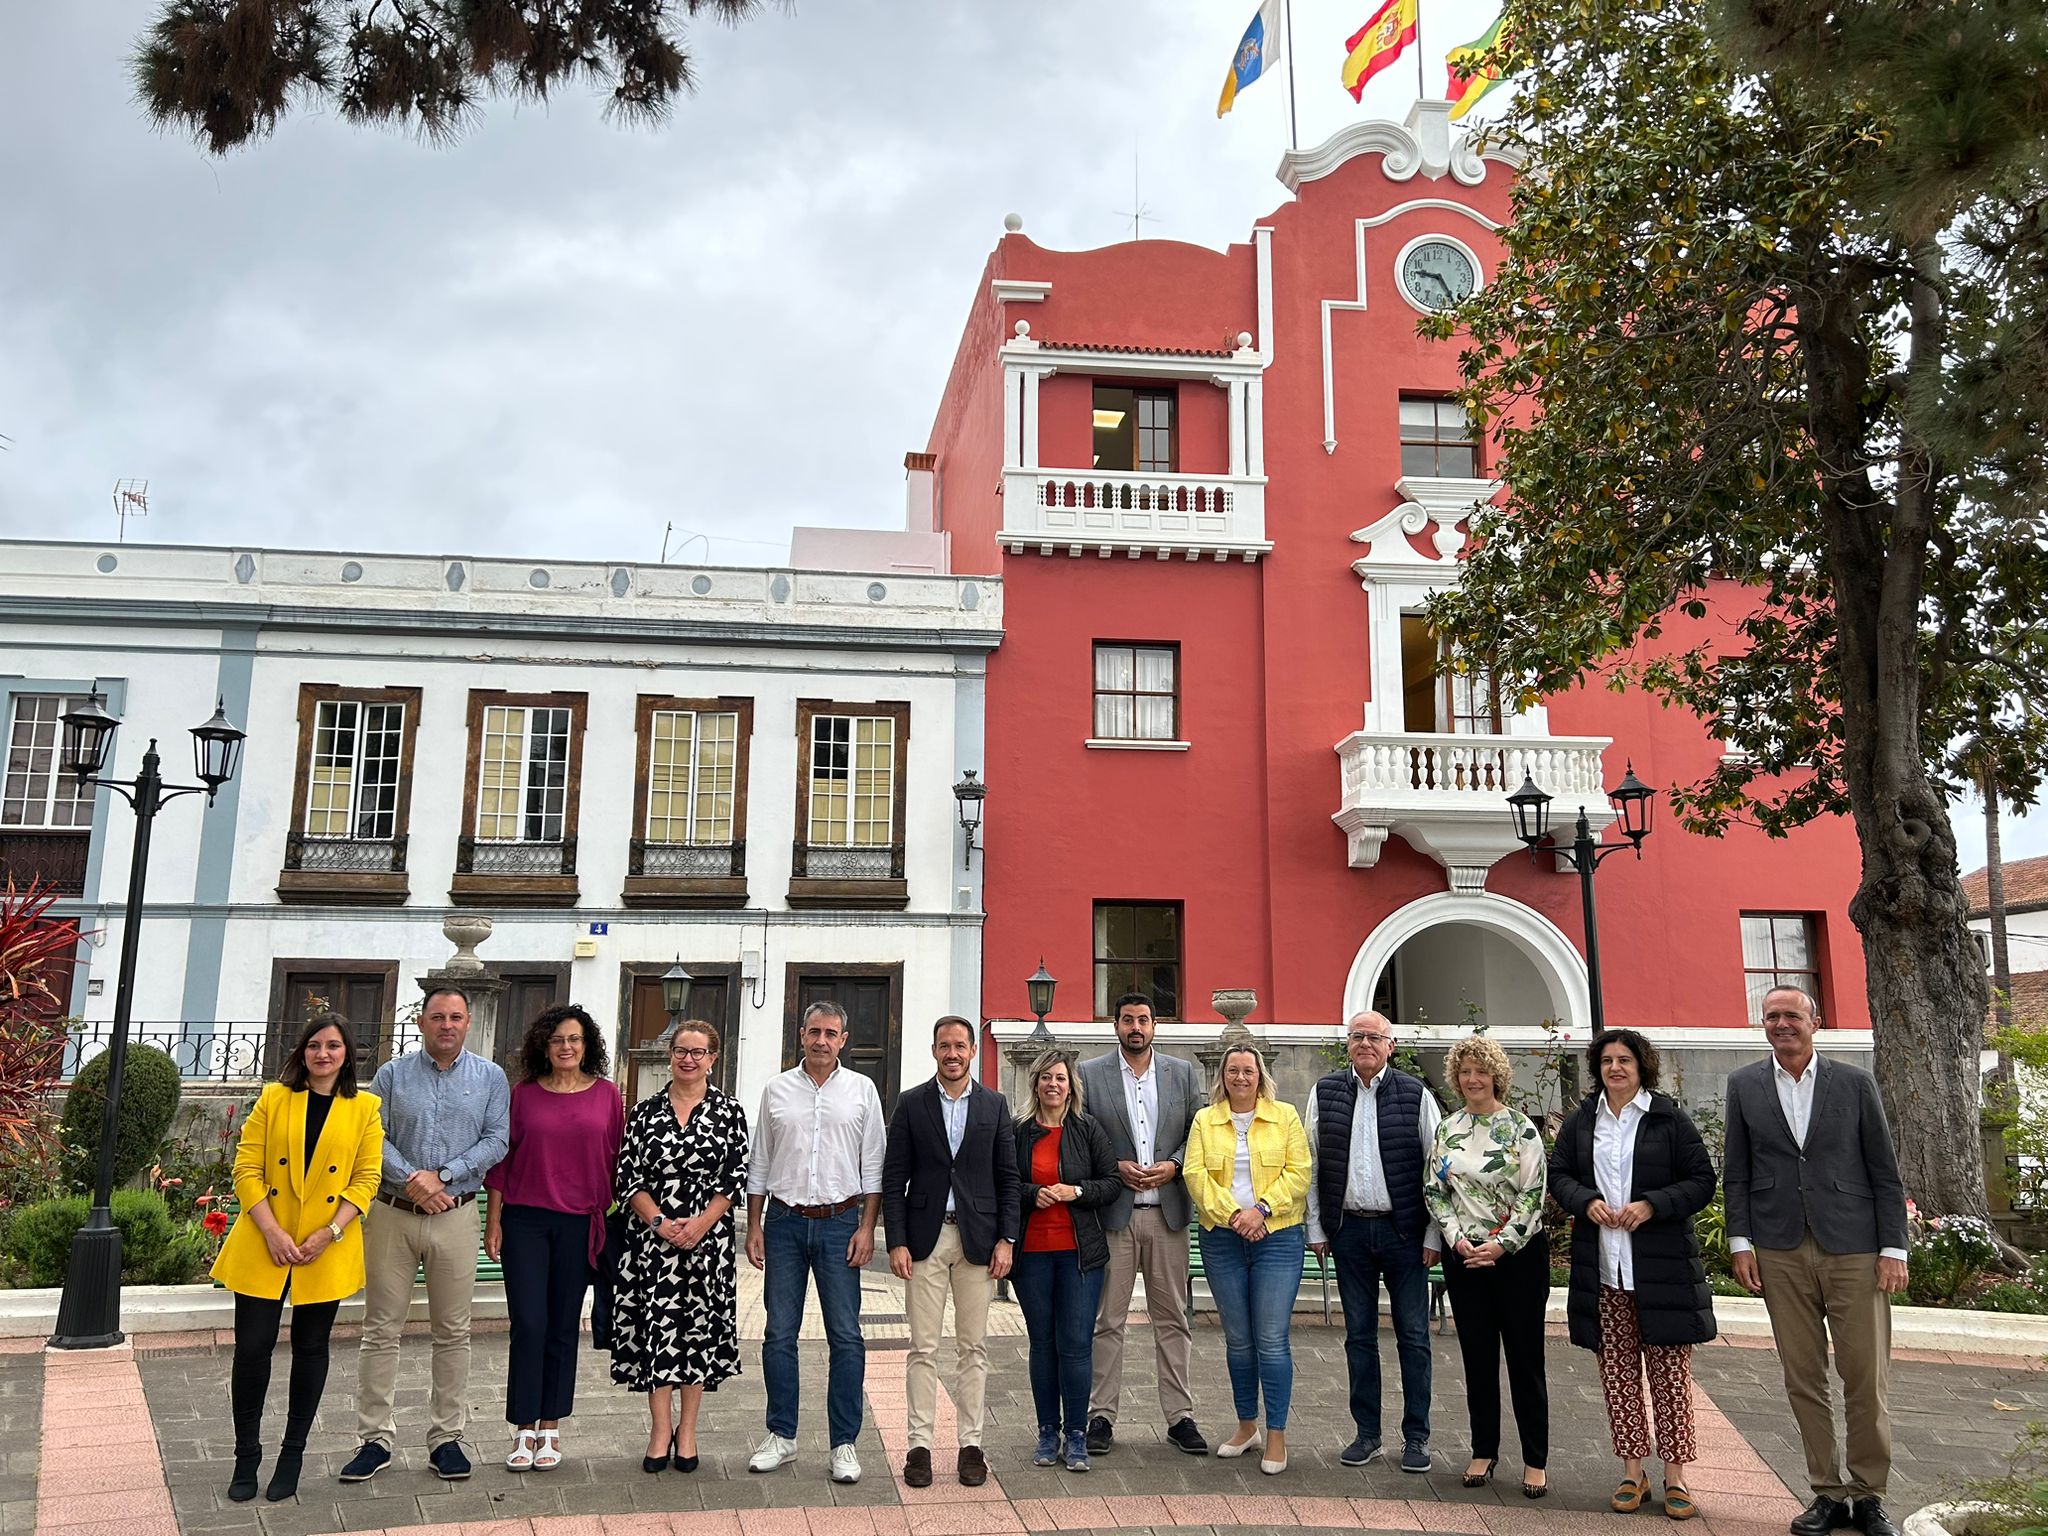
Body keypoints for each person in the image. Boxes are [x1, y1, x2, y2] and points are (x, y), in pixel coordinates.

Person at [1724, 986, 1909, 1536]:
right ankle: (1827, 1493)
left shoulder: (1854, 1082)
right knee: (1802, 1376)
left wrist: (1892, 1248)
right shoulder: (1744, 1085)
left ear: (1815, 1021)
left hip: (1853, 1246)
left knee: (1864, 1375)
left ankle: (1869, 1494)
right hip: (1779, 1248)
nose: (1781, 1024)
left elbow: (1884, 1169)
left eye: (1791, 1015)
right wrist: (1740, 1242)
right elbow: (1736, 1169)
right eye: (1771, 1017)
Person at [339, 984, 511, 1485]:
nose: (447, 1026)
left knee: (453, 1331)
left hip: (455, 1215)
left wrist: (446, 1176)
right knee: (380, 1329)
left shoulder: (491, 1077)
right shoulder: (392, 1075)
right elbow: (374, 1137)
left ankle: (446, 1439)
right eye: (438, 1017)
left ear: (468, 1022)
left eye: (456, 1017)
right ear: (421, 1022)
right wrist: (415, 1181)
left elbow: (497, 1139)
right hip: (392, 1213)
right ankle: (374, 1439)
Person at [211, 1015, 383, 1503]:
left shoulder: (365, 1109)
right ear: (302, 1052)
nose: (322, 1053)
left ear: (347, 1054)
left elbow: (366, 1180)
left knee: (310, 1348)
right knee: (252, 1349)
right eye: (314, 1045)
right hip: (266, 1240)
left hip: (323, 1246)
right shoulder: (274, 1098)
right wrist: (271, 1230)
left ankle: (292, 1455)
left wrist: (330, 1233)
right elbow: (246, 1167)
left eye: (333, 1046)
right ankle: (247, 1457)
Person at [1549, 1027, 1717, 1522]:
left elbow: (1701, 1180)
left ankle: (1677, 1476)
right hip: (1604, 1270)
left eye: (1624, 1059)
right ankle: (1632, 1472)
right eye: (1606, 1061)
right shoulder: (1582, 1122)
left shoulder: (1668, 1119)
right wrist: (1587, 1202)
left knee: (1670, 1377)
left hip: (1661, 1270)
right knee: (1618, 1375)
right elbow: (1559, 1176)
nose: (1615, 1068)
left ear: (1643, 1066)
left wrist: (1652, 1205)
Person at [744, 999, 886, 1484]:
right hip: (783, 1222)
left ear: (843, 1039)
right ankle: (781, 1436)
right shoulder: (776, 1089)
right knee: (779, 1334)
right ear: (801, 1036)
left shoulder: (863, 1091)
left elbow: (874, 1169)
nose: (822, 1040)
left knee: (845, 1336)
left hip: (841, 1222)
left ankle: (843, 1443)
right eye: (813, 1032)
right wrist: (755, 1224)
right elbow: (760, 1161)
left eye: (831, 1033)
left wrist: (867, 1228)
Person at [483, 1004, 625, 1471]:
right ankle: (522, 1426)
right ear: (544, 1045)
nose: (567, 1046)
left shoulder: (608, 1095)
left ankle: (551, 1427)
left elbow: (617, 1159)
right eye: (558, 1039)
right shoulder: (521, 1094)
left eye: (575, 1039)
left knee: (564, 1327)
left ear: (587, 1046)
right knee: (529, 1323)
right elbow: (502, 1162)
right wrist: (494, 1220)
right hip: (524, 1222)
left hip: (579, 1224)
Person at [882, 1016, 1022, 1489]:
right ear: (934, 1050)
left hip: (979, 1241)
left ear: (972, 1050)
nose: (953, 1053)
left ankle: (971, 1446)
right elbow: (893, 1175)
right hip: (925, 1238)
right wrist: (896, 1240)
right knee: (922, 1347)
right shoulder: (910, 1103)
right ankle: (919, 1447)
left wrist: (1007, 1238)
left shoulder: (995, 1105)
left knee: (973, 1348)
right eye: (944, 1045)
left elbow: (1008, 1178)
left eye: (960, 1045)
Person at [610, 1018, 750, 1474]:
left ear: (713, 1058)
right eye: (681, 1051)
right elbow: (626, 1178)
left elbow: (735, 1177)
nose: (688, 1059)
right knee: (657, 1333)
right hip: (652, 1245)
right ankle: (658, 1431)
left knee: (697, 1335)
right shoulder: (645, 1112)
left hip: (707, 1245)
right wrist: (660, 1222)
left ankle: (686, 1431)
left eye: (698, 1052)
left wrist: (702, 1223)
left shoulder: (730, 1113)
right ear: (670, 1055)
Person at [1304, 1010, 1442, 1472]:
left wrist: (1433, 1234)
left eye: (1374, 1037)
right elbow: (1312, 1163)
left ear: (1391, 1045)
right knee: (1359, 1338)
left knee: (1414, 1338)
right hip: (1349, 1234)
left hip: (1404, 1233)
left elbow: (1436, 1169)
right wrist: (1317, 1227)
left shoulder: (1416, 1095)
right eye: (1357, 1035)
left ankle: (1417, 1437)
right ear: (1348, 1043)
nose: (1365, 1043)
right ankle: (1367, 1434)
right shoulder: (1325, 1093)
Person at [1078, 991, 1208, 1457]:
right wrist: (1114, 1165)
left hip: (1167, 1215)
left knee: (1172, 1319)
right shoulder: (1090, 1075)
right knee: (1106, 1321)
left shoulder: (1182, 1072)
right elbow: (1081, 1136)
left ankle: (1180, 1417)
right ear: (1115, 1025)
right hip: (1114, 1217)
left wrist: (1174, 1165)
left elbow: (1199, 1132)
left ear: (1156, 1025)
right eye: (1128, 1019)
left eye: (1144, 1019)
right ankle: (1100, 1417)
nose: (1136, 1027)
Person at [1424, 1034, 1551, 1499]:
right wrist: (1458, 1241)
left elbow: (1533, 1195)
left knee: (1525, 1359)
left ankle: (1535, 1459)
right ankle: (1484, 1450)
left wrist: (1500, 1245)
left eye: (1480, 1071)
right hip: (1466, 1259)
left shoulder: (1521, 1128)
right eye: (1464, 1071)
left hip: (1517, 1258)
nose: (1472, 1079)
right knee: (1477, 1358)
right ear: (1456, 1079)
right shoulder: (1448, 1128)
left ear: (1496, 1076)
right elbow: (1435, 1191)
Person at [1182, 1043, 1312, 1475]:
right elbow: (1194, 1174)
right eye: (1233, 1070)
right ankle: (1246, 1427)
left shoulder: (1285, 1116)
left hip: (1277, 1236)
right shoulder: (1205, 1119)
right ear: (1222, 1076)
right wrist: (1236, 1214)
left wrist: (1262, 1210)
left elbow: (1300, 1172)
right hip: (1223, 1238)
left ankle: (1277, 1436)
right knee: (1238, 1339)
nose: (1241, 1077)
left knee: (1272, 1339)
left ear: (1261, 1076)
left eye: (1248, 1071)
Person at [1012, 1048, 1122, 1473]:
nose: (1052, 1085)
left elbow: (1111, 1183)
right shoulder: (1019, 1131)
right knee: (1042, 1344)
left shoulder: (1087, 1128)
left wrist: (1075, 1192)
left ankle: (1076, 1432)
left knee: (1076, 1345)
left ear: (1071, 1085)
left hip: (1080, 1256)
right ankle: (1046, 1431)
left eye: (1060, 1078)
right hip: (1032, 1255)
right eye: (1045, 1078)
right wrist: (1030, 1194)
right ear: (1035, 1084)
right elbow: (1004, 1182)